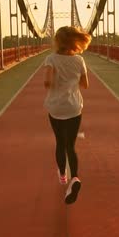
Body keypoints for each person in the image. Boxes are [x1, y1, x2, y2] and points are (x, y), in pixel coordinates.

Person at [43, 26, 91, 205]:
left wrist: (54, 79)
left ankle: (63, 176)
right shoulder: (79, 60)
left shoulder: (50, 59)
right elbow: (85, 85)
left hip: (56, 108)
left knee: (59, 143)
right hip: (74, 108)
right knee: (71, 146)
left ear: (58, 41)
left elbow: (46, 83)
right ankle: (75, 178)